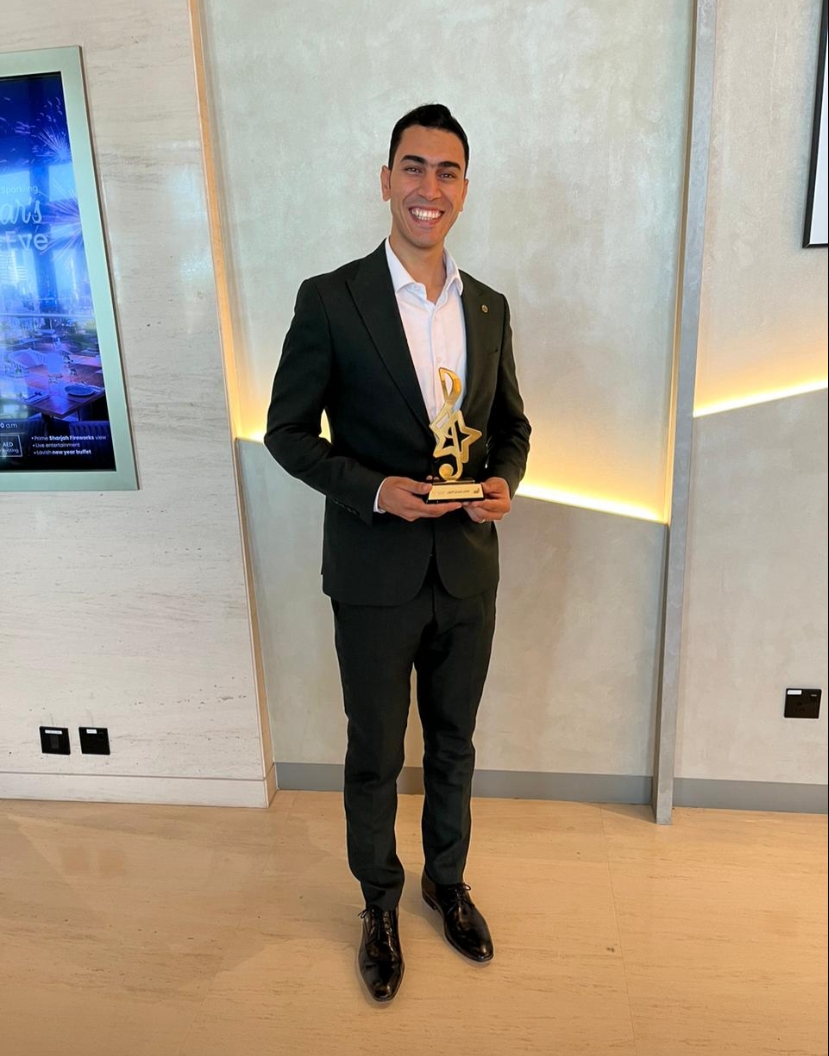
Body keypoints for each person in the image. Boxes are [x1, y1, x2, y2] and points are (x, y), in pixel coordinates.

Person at [265, 103, 530, 1002]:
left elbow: (512, 427)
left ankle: (445, 883)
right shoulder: (330, 299)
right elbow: (286, 434)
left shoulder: (488, 306)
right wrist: (375, 489)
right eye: (413, 167)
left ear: (464, 188)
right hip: (374, 571)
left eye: (447, 171)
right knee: (375, 749)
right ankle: (377, 901)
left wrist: (503, 482)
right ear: (386, 180)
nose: (429, 187)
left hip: (467, 570)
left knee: (453, 743)